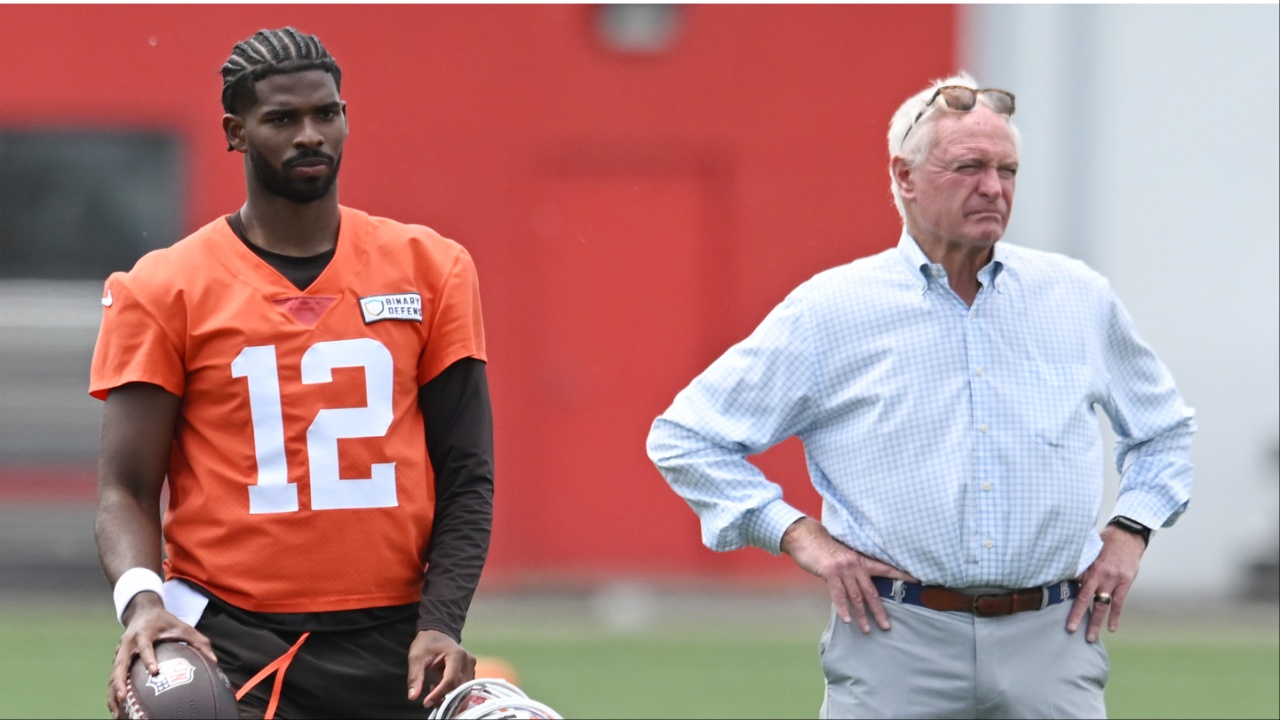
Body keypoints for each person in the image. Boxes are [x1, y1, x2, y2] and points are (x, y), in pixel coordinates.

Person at [646, 73, 1195, 719]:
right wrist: (798, 536)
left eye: (1007, 170)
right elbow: (686, 436)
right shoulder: (834, 310)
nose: (994, 188)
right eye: (969, 167)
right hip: (895, 640)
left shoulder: (1076, 297)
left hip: (1054, 640)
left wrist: (1132, 530)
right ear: (904, 177)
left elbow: (1163, 431)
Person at [90, 27, 494, 719]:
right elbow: (125, 488)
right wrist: (143, 604)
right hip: (233, 636)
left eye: (326, 114)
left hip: (395, 640)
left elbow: (466, 471)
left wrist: (443, 620)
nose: (310, 135)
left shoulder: (432, 267)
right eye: (282, 118)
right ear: (235, 131)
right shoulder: (165, 286)